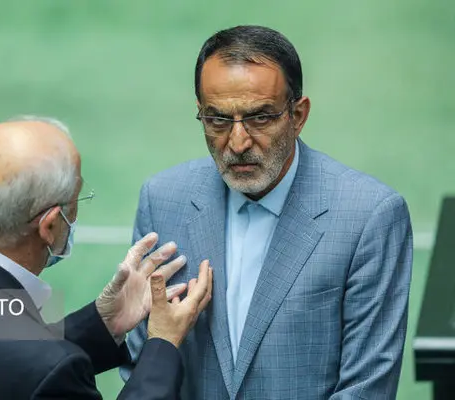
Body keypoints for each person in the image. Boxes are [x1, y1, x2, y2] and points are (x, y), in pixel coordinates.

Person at [122, 25, 413, 399]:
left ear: (298, 115)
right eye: (218, 120)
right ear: (201, 113)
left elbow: (366, 389)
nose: (238, 142)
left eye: (260, 118)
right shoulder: (162, 200)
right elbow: (142, 364)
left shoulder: (369, 216)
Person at [0, 116, 213, 400]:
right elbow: (29, 367)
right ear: (49, 225)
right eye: (77, 200)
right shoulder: (52, 372)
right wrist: (162, 342)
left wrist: (102, 322)